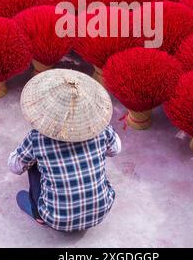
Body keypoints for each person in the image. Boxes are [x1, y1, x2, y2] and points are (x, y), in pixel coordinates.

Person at [8, 68, 121, 232]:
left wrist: (25, 153)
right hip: (102, 211)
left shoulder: (37, 138)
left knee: (31, 163)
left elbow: (15, 166)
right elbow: (115, 149)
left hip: (56, 219)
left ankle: (39, 215)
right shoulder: (101, 129)